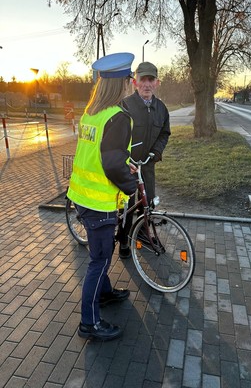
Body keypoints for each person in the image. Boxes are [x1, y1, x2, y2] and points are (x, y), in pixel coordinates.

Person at [67, 52, 137, 341]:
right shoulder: (118, 117)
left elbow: (100, 155)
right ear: (121, 83)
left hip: (81, 196)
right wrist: (130, 185)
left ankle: (105, 294)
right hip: (99, 202)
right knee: (100, 260)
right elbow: (110, 164)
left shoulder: (92, 111)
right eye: (130, 78)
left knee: (100, 254)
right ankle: (90, 322)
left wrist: (122, 161)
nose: (132, 82)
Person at [118, 61, 171, 259]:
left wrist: (155, 153)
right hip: (127, 167)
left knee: (147, 203)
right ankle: (123, 240)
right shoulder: (125, 105)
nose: (147, 84)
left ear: (157, 83)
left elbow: (164, 133)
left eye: (151, 80)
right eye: (143, 80)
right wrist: (124, 158)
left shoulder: (161, 108)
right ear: (135, 82)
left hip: (147, 166)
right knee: (126, 207)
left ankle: (142, 234)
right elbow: (116, 135)